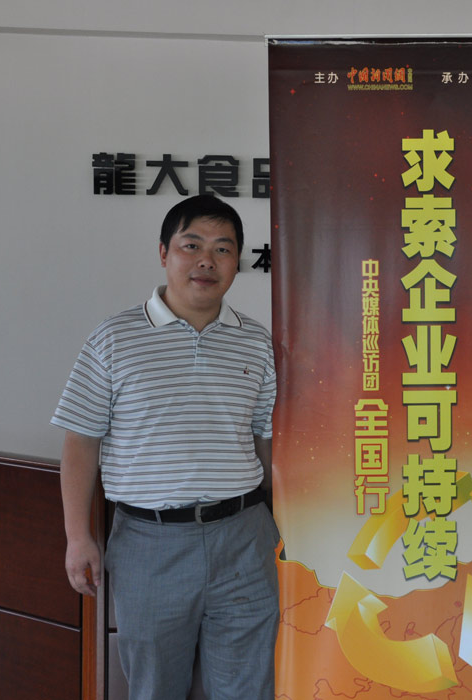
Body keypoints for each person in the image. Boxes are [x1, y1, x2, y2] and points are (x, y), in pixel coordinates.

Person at [51, 195, 279, 700]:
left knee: (249, 687)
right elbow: (80, 441)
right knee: (155, 688)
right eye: (191, 245)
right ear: (163, 253)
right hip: (149, 544)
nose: (206, 261)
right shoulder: (114, 338)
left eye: (223, 249)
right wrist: (77, 536)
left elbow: (264, 439)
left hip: (245, 538)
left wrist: (281, 520)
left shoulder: (256, 341)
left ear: (236, 262)